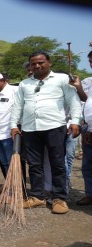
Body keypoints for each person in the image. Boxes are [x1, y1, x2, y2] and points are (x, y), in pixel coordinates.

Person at [10, 52, 81, 214]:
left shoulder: (62, 79)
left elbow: (73, 100)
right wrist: (14, 125)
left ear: (49, 63)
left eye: (41, 62)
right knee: (34, 164)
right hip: (30, 129)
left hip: (54, 126)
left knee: (57, 164)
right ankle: (37, 197)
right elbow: (18, 106)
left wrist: (76, 120)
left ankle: (59, 199)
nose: (37, 66)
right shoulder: (24, 84)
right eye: (33, 64)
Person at [77, 50, 92, 206]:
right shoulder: (88, 82)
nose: (91, 64)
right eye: (90, 61)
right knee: (88, 164)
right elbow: (86, 102)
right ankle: (90, 193)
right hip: (89, 128)